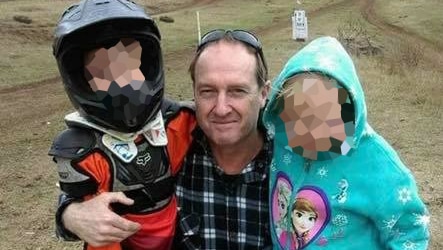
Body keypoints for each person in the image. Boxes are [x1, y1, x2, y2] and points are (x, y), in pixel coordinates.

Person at [54, 28, 273, 249]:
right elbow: (96, 180)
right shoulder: (169, 145)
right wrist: (71, 214)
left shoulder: (292, 161)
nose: (221, 108)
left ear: (264, 94)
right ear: (194, 92)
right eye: (208, 91)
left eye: (237, 91)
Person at [49, 0, 196, 249]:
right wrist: (69, 213)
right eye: (103, 71)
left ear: (147, 64)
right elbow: (94, 224)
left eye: (129, 65)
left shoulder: (180, 120)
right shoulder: (82, 150)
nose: (121, 81)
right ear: (81, 78)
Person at [264, 36, 430, 249]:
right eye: (299, 117)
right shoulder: (282, 144)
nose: (311, 131)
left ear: (348, 112)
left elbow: (410, 231)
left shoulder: (376, 163)